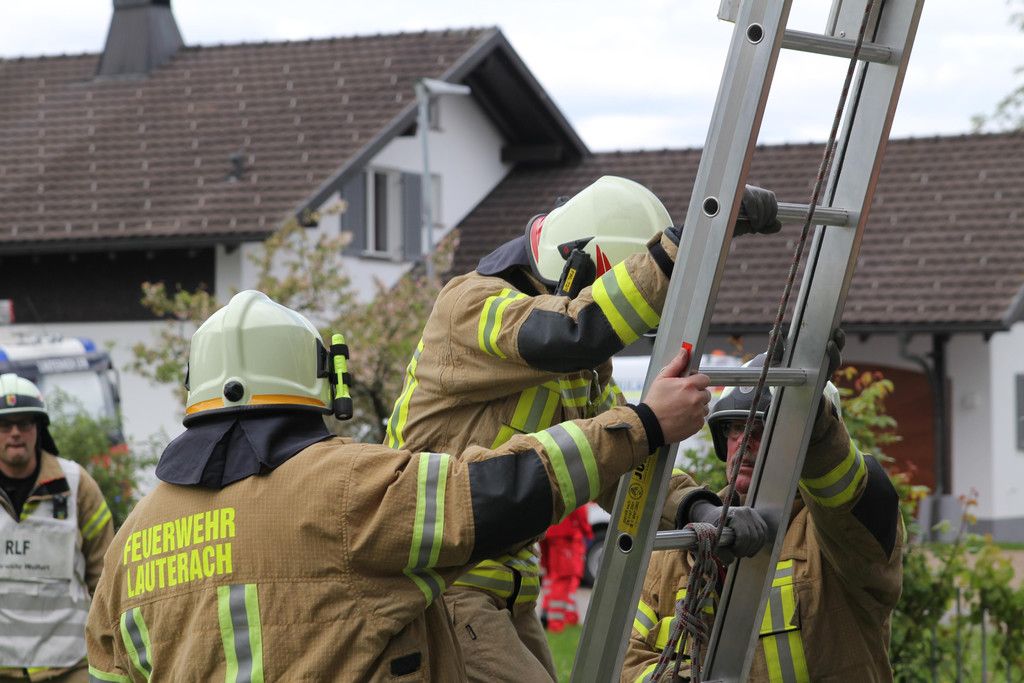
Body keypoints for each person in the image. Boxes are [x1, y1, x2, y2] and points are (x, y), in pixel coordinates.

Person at [84, 289, 713, 681]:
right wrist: (643, 424)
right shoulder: (346, 489)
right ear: (321, 381)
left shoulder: (130, 544)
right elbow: (501, 488)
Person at [384, 175, 784, 680]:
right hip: (441, 579)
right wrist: (692, 241)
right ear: (578, 265)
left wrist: (698, 507)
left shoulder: (583, 371)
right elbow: (570, 332)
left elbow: (624, 460)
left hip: (503, 586)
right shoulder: (468, 305)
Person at [622, 342, 905, 682]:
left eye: (762, 428)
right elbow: (627, 658)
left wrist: (812, 421)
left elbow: (849, 498)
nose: (744, 442)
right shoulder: (686, 541)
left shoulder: (840, 539)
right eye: (734, 427)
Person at [0, 373, 114, 683]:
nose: (15, 433)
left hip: (69, 665)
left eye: (25, 423)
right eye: (5, 425)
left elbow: (106, 578)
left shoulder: (76, 485)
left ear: (38, 428)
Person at [539, 504, 591, 632]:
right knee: (562, 578)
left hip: (546, 530)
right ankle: (555, 624)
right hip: (563, 533)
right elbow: (579, 506)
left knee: (550, 575)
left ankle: (549, 613)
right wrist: (587, 530)